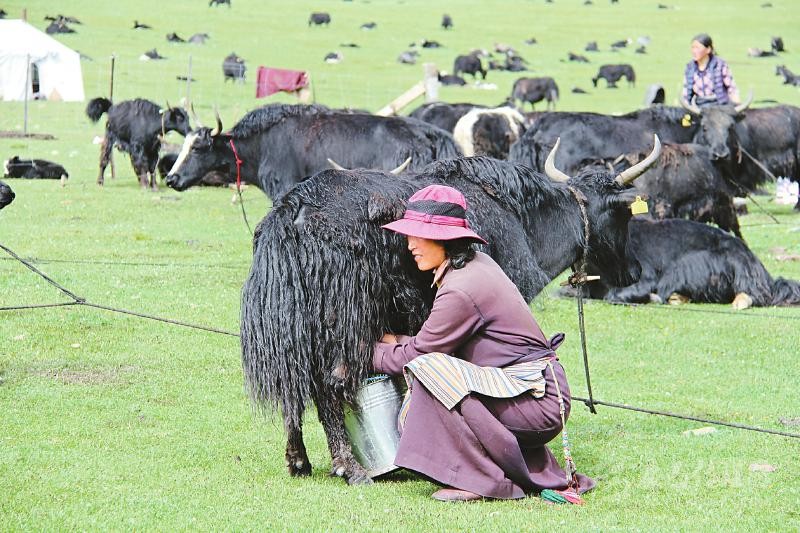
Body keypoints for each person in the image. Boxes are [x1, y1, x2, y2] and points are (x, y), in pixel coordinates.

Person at [372, 184, 596, 503]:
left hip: (536, 401)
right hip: (537, 392)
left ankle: (480, 479)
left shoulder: (460, 287)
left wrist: (364, 352)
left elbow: (420, 355)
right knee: (435, 367)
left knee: (431, 373)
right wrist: (395, 341)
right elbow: (432, 342)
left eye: (418, 235)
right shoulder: (476, 265)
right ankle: (498, 470)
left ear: (444, 239)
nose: (410, 245)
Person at [682, 33, 740, 106]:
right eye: (693, 47)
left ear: (708, 49)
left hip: (719, 105)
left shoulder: (720, 65)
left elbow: (732, 88)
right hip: (698, 106)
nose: (694, 51)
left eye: (697, 48)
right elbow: (686, 93)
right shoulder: (690, 67)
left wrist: (737, 103)